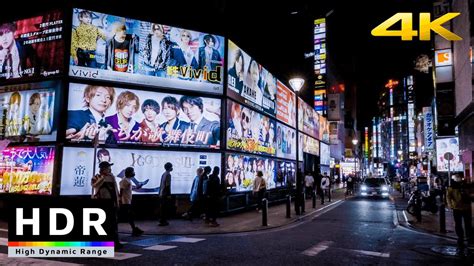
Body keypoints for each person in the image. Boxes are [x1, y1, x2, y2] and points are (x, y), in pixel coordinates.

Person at [91, 161, 122, 249]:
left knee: (113, 223)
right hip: (102, 203)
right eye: (108, 167)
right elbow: (94, 185)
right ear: (103, 169)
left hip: (112, 203)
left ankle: (115, 242)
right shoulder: (96, 177)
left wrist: (118, 201)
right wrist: (102, 178)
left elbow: (115, 190)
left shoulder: (112, 177)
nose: (110, 169)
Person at [447, 174, 473, 250]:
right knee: (458, 224)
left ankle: (468, 237)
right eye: (456, 178)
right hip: (457, 208)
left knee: (467, 223)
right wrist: (451, 205)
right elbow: (448, 196)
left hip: (466, 207)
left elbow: (470, 193)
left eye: (458, 177)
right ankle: (461, 237)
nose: (458, 179)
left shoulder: (466, 185)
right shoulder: (452, 187)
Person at [119, 167, 144, 236]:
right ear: (130, 173)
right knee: (129, 215)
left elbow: (128, 188)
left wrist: (136, 187)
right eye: (133, 171)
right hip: (125, 201)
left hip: (127, 200)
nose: (134, 173)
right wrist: (120, 200)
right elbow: (121, 190)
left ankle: (134, 230)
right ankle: (134, 230)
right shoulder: (124, 180)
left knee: (129, 216)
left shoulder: (127, 180)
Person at [158, 162, 173, 226]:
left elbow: (161, 184)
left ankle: (161, 220)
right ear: (169, 168)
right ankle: (163, 221)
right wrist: (169, 194)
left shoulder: (164, 174)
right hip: (165, 194)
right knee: (165, 208)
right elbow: (167, 185)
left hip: (161, 193)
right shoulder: (168, 175)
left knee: (162, 208)